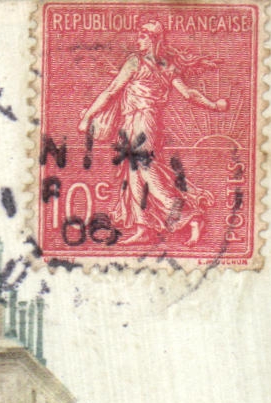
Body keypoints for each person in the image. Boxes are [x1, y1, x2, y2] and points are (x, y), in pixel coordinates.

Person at [75, 20, 229, 247]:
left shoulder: (136, 62)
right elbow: (189, 94)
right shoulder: (167, 66)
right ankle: (143, 227)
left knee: (145, 171)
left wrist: (88, 116)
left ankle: (189, 216)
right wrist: (214, 105)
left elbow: (110, 92)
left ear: (153, 39)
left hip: (143, 122)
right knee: (134, 174)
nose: (138, 41)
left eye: (142, 37)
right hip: (136, 122)